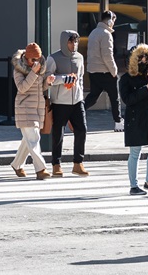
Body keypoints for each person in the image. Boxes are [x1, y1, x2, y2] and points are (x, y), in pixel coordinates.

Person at [122, 43, 148, 196]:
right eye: (141, 58)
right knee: (135, 152)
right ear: (134, 59)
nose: (144, 61)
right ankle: (133, 185)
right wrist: (146, 89)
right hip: (136, 118)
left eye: (147, 59)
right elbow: (128, 99)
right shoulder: (126, 79)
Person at [46, 30, 89, 177]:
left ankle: (78, 163)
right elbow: (48, 78)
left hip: (77, 101)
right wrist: (64, 79)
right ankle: (56, 164)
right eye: (71, 42)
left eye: (76, 41)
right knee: (58, 133)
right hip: (60, 102)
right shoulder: (53, 58)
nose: (74, 44)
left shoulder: (80, 57)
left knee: (82, 129)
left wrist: (80, 95)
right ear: (65, 42)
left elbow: (81, 78)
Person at [9, 43, 50, 180]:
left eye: (38, 59)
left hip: (37, 109)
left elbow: (40, 88)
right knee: (33, 138)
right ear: (26, 58)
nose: (36, 62)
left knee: (28, 140)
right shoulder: (19, 69)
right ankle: (41, 169)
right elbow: (22, 88)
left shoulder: (39, 68)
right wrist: (33, 72)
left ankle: (17, 164)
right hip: (25, 108)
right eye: (33, 59)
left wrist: (47, 82)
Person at [86, 11, 122, 130]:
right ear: (110, 21)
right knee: (114, 98)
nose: (113, 24)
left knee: (93, 97)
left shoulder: (93, 33)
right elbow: (107, 56)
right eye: (113, 21)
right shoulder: (106, 34)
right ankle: (118, 121)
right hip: (105, 71)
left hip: (93, 71)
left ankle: (77, 112)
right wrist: (114, 71)